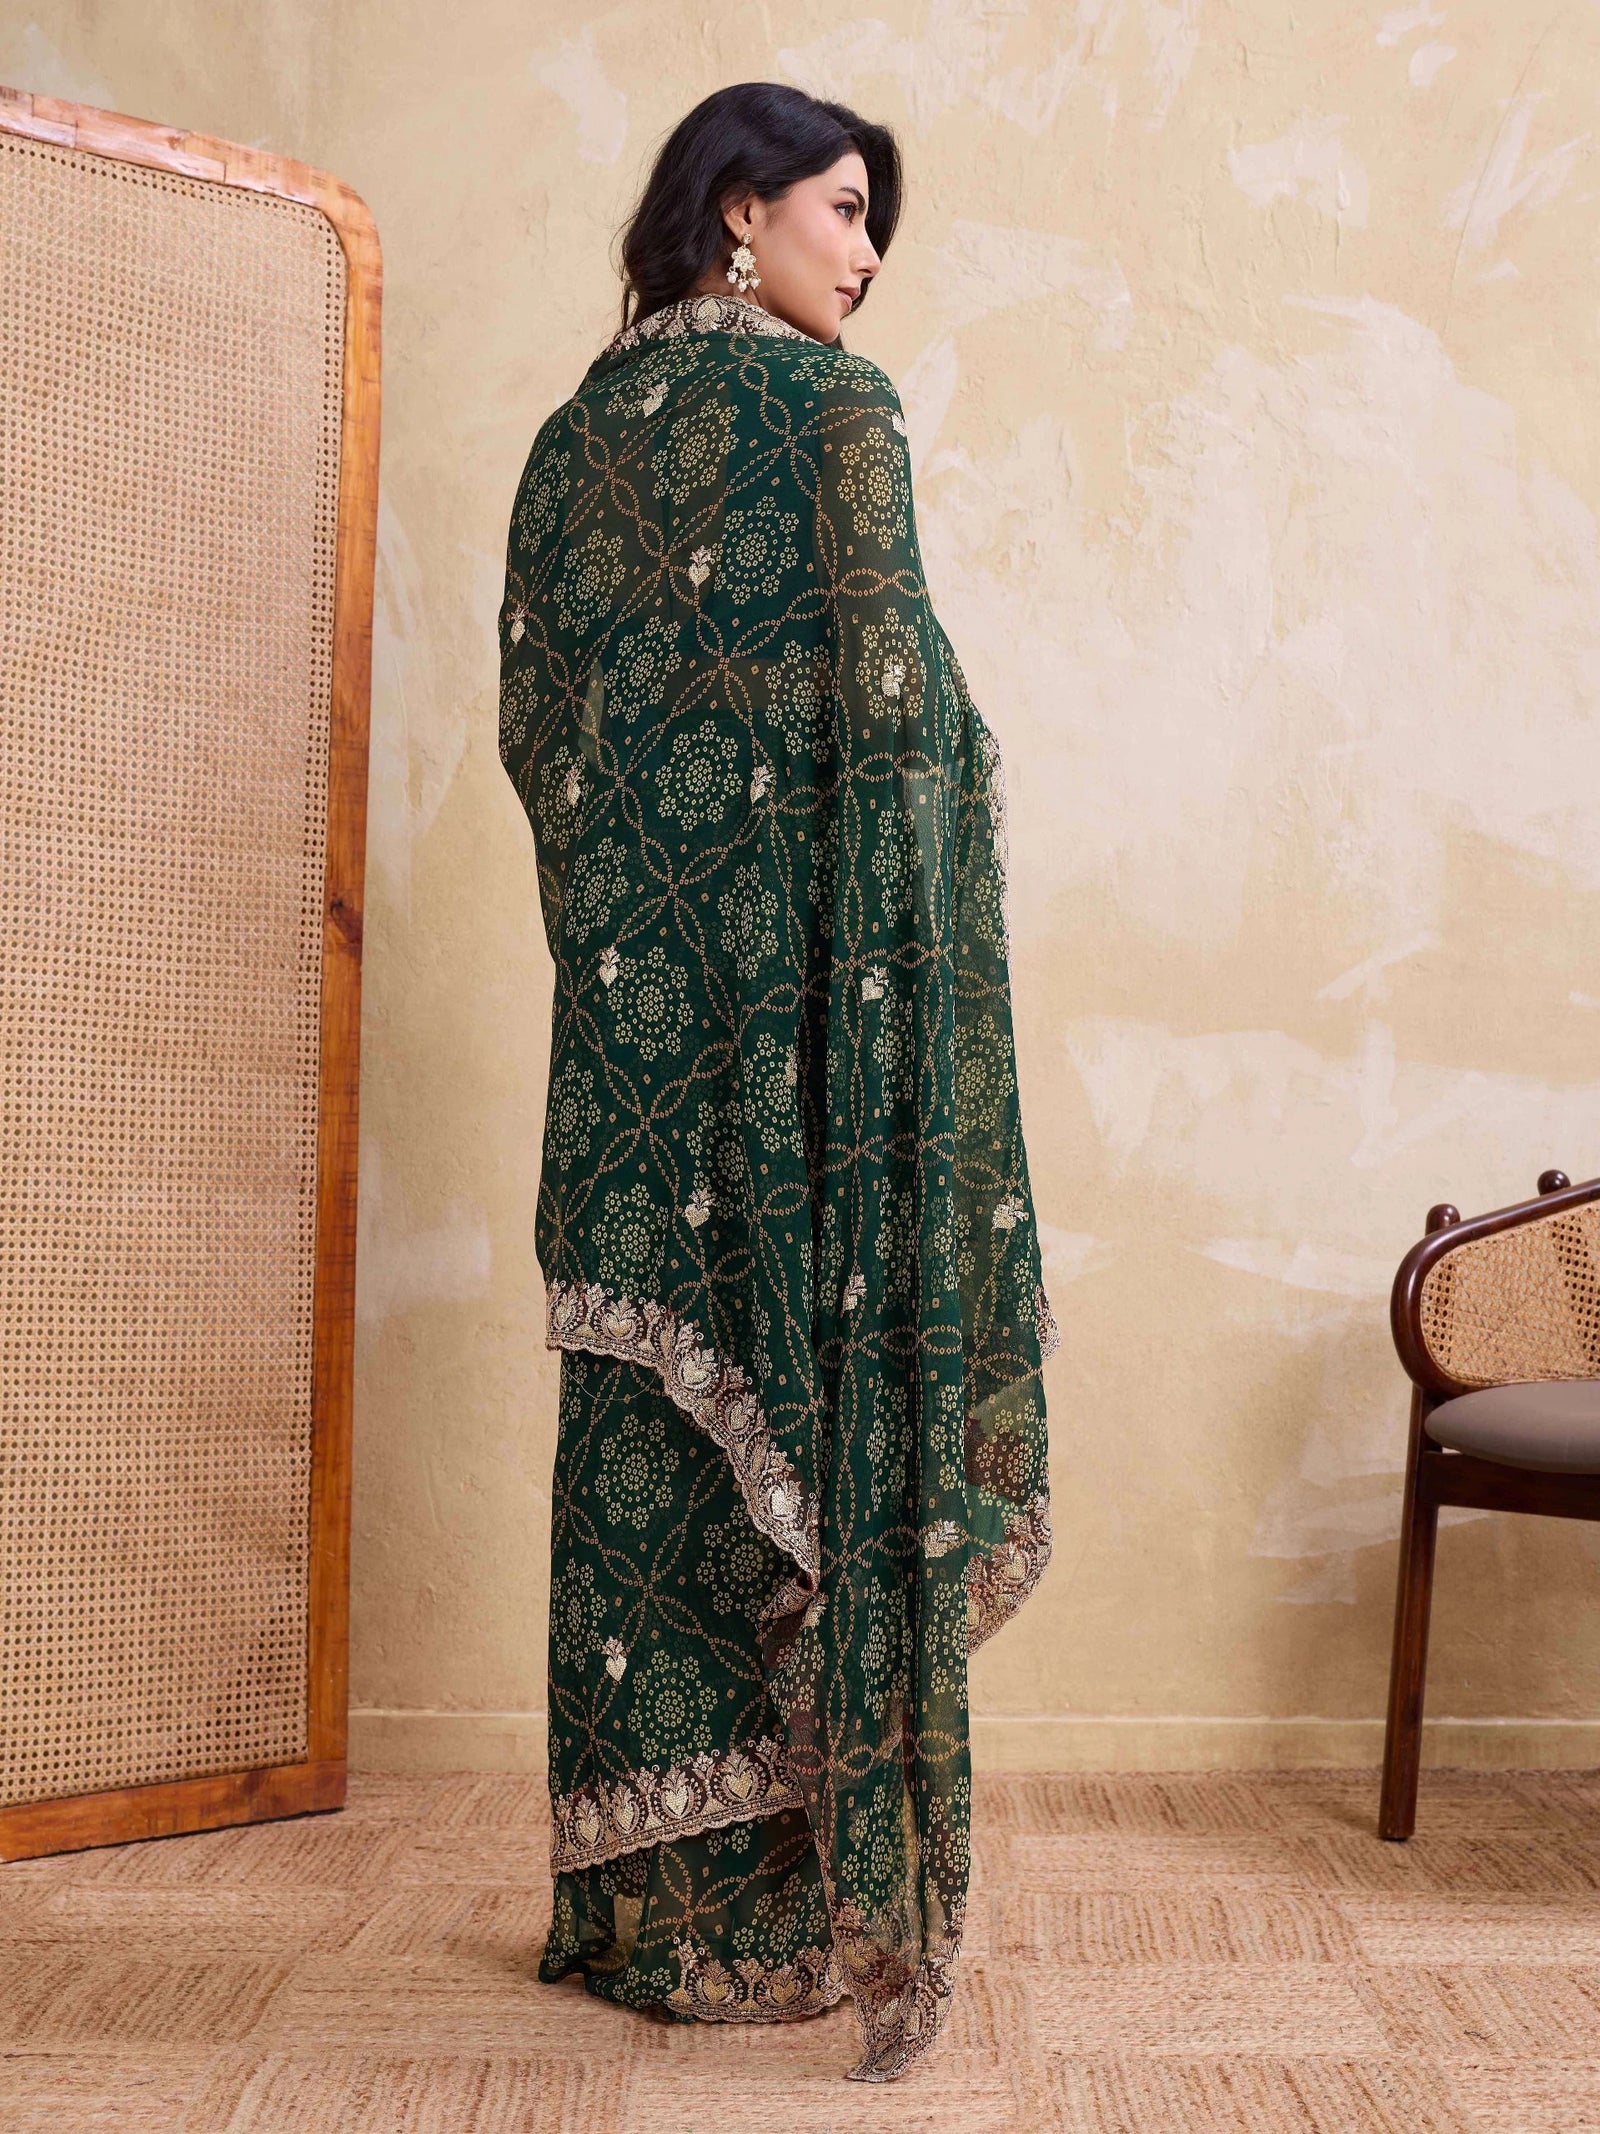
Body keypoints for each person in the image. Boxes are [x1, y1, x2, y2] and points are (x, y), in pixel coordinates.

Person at [497, 79, 1057, 2084]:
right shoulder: (840, 420)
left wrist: (658, 928)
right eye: (840, 209)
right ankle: (808, 1891)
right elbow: (896, 726)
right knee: (807, 1424)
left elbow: (544, 734)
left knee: (648, 1447)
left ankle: (638, 1901)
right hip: (811, 1034)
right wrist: (928, 853)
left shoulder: (571, 448)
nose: (865, 253)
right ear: (734, 211)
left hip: (636, 1043)